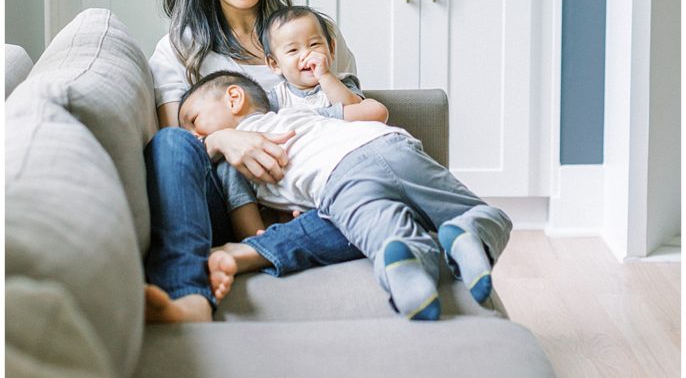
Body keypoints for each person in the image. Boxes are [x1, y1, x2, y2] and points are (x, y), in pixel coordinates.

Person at [144, 0, 365, 324]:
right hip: (223, 201)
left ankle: (254, 253)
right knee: (169, 145)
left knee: (370, 194)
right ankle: (189, 297)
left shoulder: (309, 33)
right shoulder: (180, 49)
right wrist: (227, 138)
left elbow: (352, 120)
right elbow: (178, 146)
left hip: (307, 195)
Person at [178, 70, 513, 321]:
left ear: (234, 98)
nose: (193, 133)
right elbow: (364, 113)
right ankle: (472, 230)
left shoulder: (234, 162)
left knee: (382, 236)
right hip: (391, 144)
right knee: (471, 209)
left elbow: (251, 233)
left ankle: (408, 272)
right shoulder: (299, 114)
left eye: (194, 120)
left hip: (340, 184)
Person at [260, 3, 389, 124]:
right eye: (293, 50)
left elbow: (356, 108)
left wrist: (325, 76)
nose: (307, 54)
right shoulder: (276, 98)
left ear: (331, 49)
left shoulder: (342, 82)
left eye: (314, 44)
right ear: (274, 64)